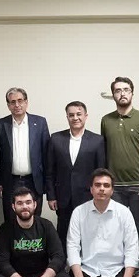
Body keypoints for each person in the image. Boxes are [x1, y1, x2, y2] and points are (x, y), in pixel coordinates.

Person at [101, 77, 139, 277]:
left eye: (126, 90)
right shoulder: (106, 120)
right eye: (118, 90)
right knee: (114, 231)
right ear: (113, 94)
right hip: (114, 187)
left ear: (132, 92)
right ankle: (119, 270)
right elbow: (104, 151)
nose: (122, 93)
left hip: (138, 185)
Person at [66, 169, 139, 277]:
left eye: (106, 185)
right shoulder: (79, 212)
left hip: (116, 270)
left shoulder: (124, 213)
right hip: (89, 269)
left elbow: (132, 247)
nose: (102, 189)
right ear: (91, 189)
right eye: (98, 185)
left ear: (112, 190)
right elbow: (72, 246)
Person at [0, 187, 70, 277]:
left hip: (41, 276)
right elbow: (2, 262)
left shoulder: (46, 225)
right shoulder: (6, 228)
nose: (25, 206)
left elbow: (58, 257)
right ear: (13, 207)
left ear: (34, 204)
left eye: (28, 202)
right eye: (20, 203)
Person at [46, 101, 105, 249]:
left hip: (87, 197)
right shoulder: (56, 139)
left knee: (88, 233)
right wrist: (51, 196)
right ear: (67, 117)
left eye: (79, 114)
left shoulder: (97, 140)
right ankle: (63, 261)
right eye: (71, 115)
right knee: (63, 233)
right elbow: (50, 170)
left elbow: (101, 172)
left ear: (86, 116)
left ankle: (86, 261)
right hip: (63, 196)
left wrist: (99, 196)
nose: (75, 118)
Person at [0, 87, 50, 223]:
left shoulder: (40, 123)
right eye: (13, 102)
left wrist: (47, 184)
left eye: (20, 100)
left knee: (34, 220)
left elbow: (47, 155)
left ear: (26, 102)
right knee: (11, 221)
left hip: (34, 181)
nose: (17, 105)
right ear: (8, 105)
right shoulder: (0, 124)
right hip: (10, 181)